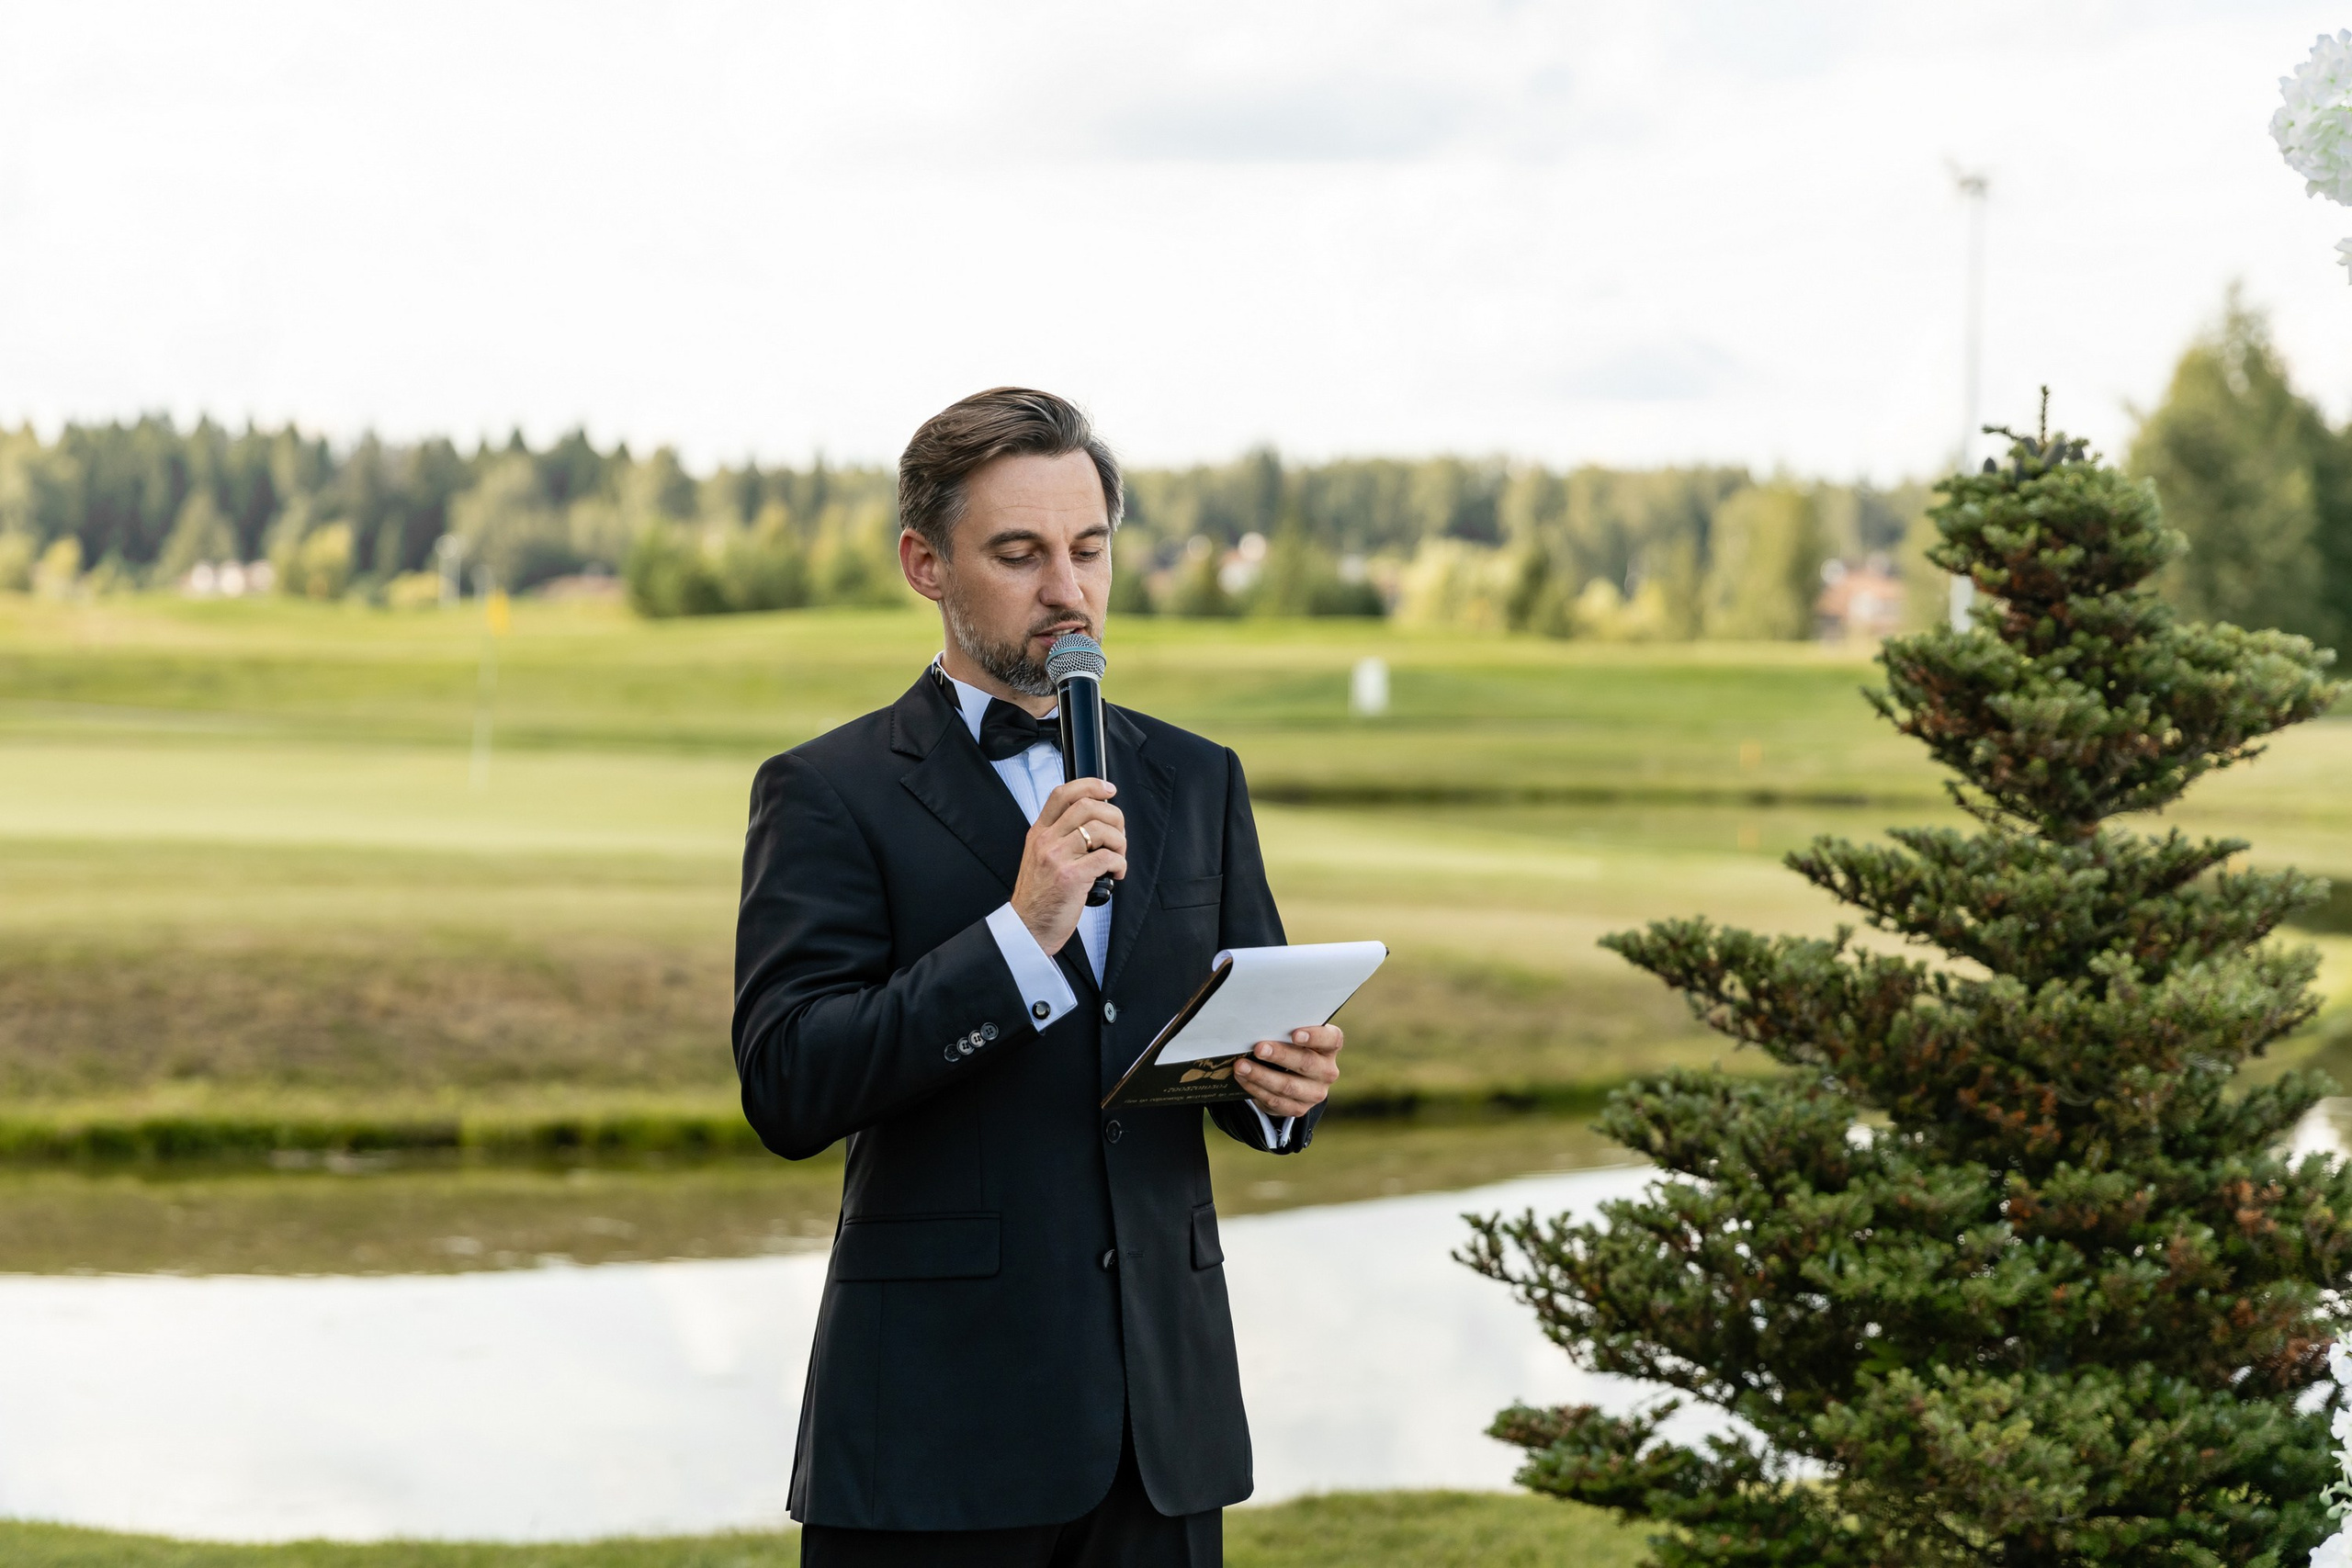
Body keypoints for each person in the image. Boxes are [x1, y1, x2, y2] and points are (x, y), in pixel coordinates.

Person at [732, 387, 1345, 1567]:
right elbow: (789, 1084)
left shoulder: (1198, 777)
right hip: (932, 1431)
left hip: (1162, 1432)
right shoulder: (827, 790)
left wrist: (1279, 1091)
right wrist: (1021, 934)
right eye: (1019, 554)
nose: (1067, 590)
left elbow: (1239, 1030)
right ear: (926, 564)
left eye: (1089, 548)